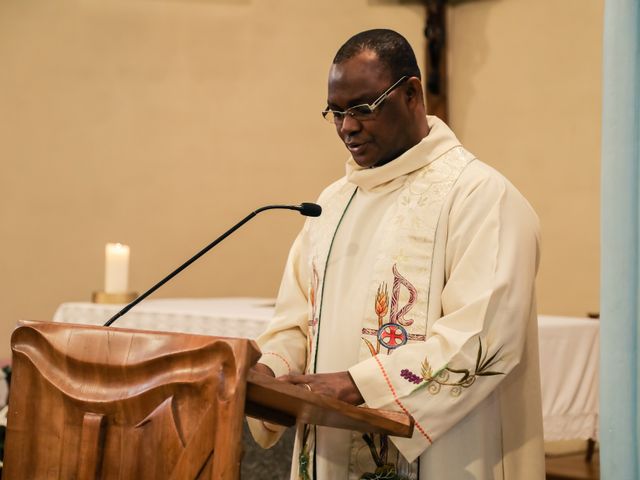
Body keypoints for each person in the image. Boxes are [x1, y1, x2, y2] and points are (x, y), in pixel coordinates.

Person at [249, 29, 545, 480]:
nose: (348, 126)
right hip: (331, 449)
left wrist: (357, 385)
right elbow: (294, 323)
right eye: (337, 112)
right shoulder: (330, 205)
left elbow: (482, 338)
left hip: (450, 457)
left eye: (364, 108)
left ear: (411, 94)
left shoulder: (481, 197)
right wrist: (267, 376)